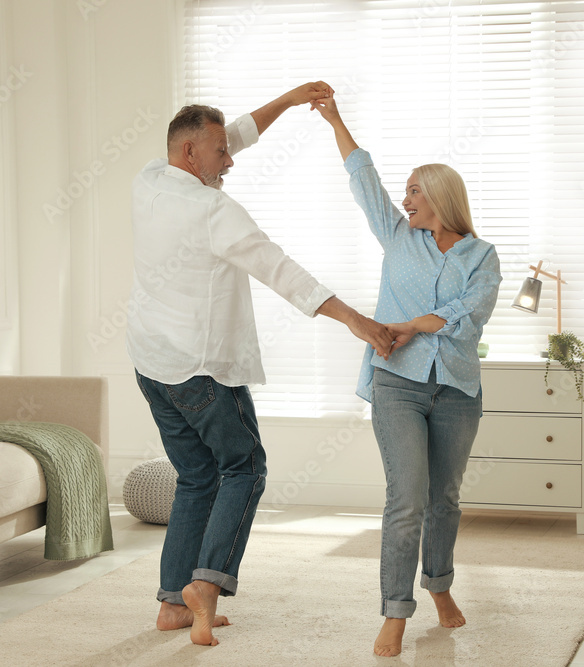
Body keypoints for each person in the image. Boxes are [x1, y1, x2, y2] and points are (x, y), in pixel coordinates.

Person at [126, 82, 394, 647]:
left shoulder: (148, 180)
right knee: (245, 468)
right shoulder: (213, 209)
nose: (230, 161)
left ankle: (173, 605)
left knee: (197, 477)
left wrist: (292, 99)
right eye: (220, 153)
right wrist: (356, 321)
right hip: (201, 371)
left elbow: (236, 132)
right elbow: (281, 270)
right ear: (191, 156)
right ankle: (207, 584)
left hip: (151, 366)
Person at [312, 94, 502, 657]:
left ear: (440, 196)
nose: (404, 199)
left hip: (458, 389)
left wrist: (417, 324)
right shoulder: (398, 236)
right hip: (396, 384)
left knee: (445, 496)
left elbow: (473, 317)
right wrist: (335, 120)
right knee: (407, 497)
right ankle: (396, 611)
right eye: (405, 192)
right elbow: (362, 178)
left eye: (414, 190)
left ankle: (439, 586)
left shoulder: (483, 255)